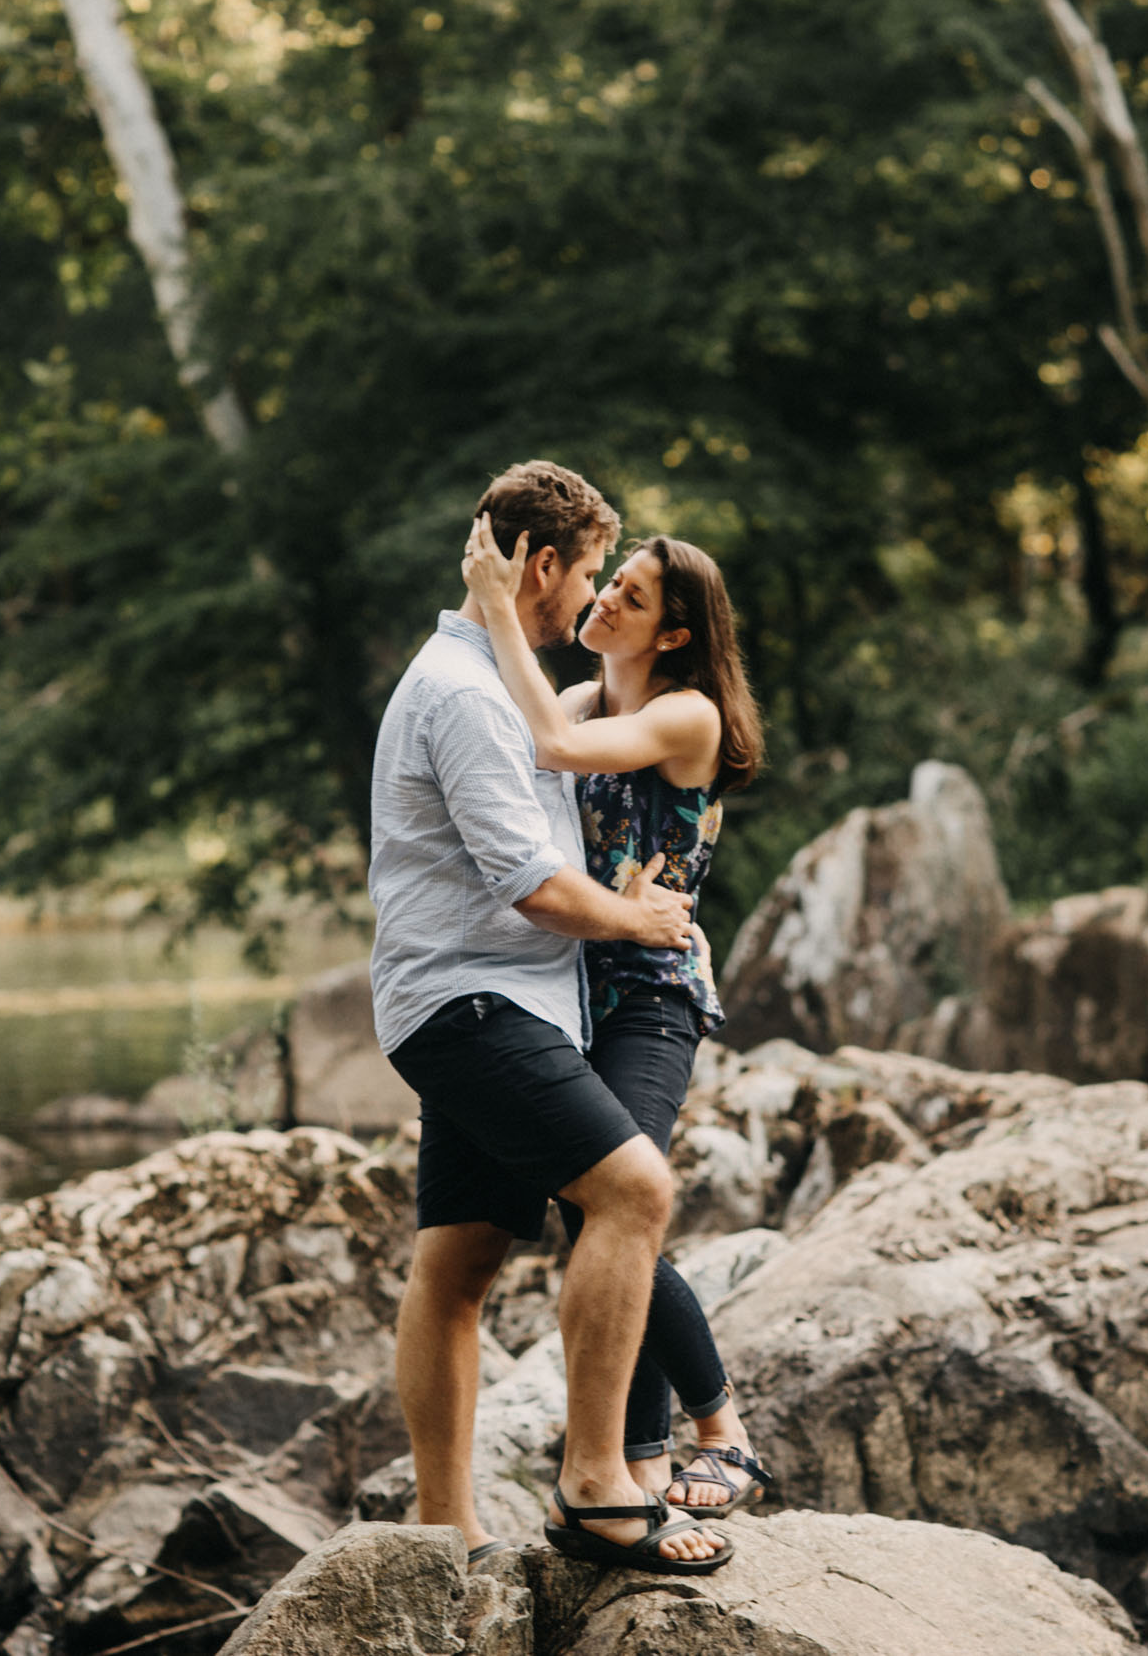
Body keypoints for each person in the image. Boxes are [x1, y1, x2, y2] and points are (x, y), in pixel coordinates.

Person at [372, 460, 734, 1574]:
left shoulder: (501, 676)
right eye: (587, 574)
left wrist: (647, 907)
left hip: (493, 996)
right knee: (632, 1189)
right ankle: (597, 1483)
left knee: (460, 1257)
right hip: (476, 1001)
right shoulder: (469, 691)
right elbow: (532, 885)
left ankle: (448, 1527)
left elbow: (587, 777)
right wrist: (639, 919)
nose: (590, 598)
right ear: (541, 567)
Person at [459, 516, 776, 1524]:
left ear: (675, 634)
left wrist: (499, 606)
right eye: (609, 583)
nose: (602, 601)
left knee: (617, 1206)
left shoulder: (687, 717)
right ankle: (639, 1461)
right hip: (570, 988)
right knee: (604, 1216)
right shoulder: (591, 693)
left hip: (648, 998)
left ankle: (720, 1432)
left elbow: (548, 744)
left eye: (629, 597)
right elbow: (516, 756)